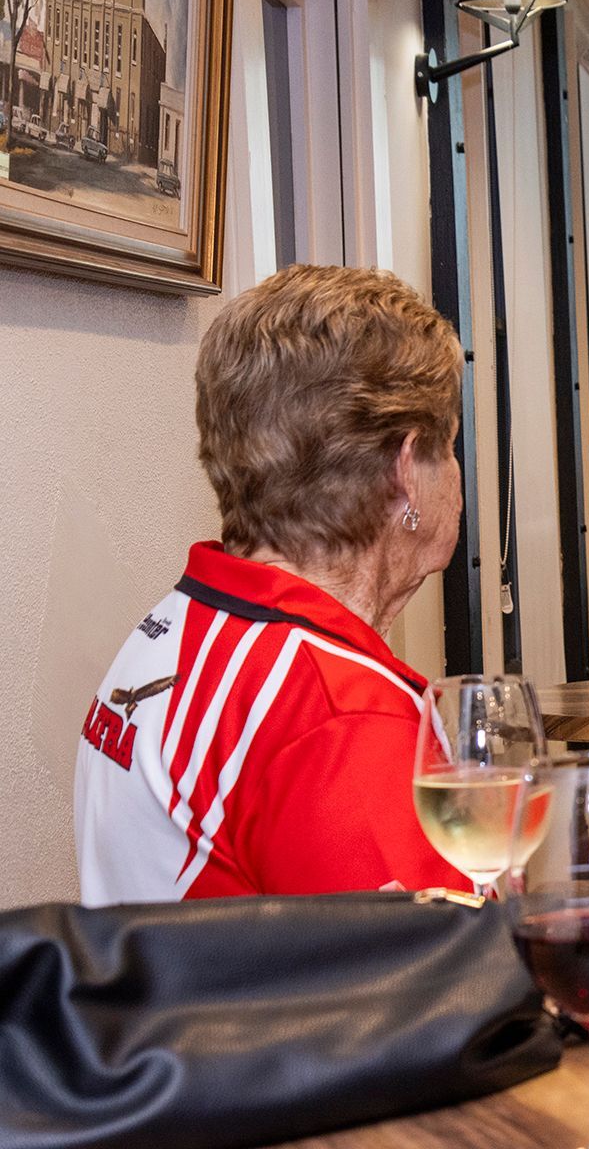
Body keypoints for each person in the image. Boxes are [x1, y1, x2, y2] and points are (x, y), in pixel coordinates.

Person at [75, 265, 469, 903]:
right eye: (450, 446)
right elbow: (442, 986)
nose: (455, 472)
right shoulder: (338, 715)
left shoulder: (175, 627)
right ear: (407, 473)